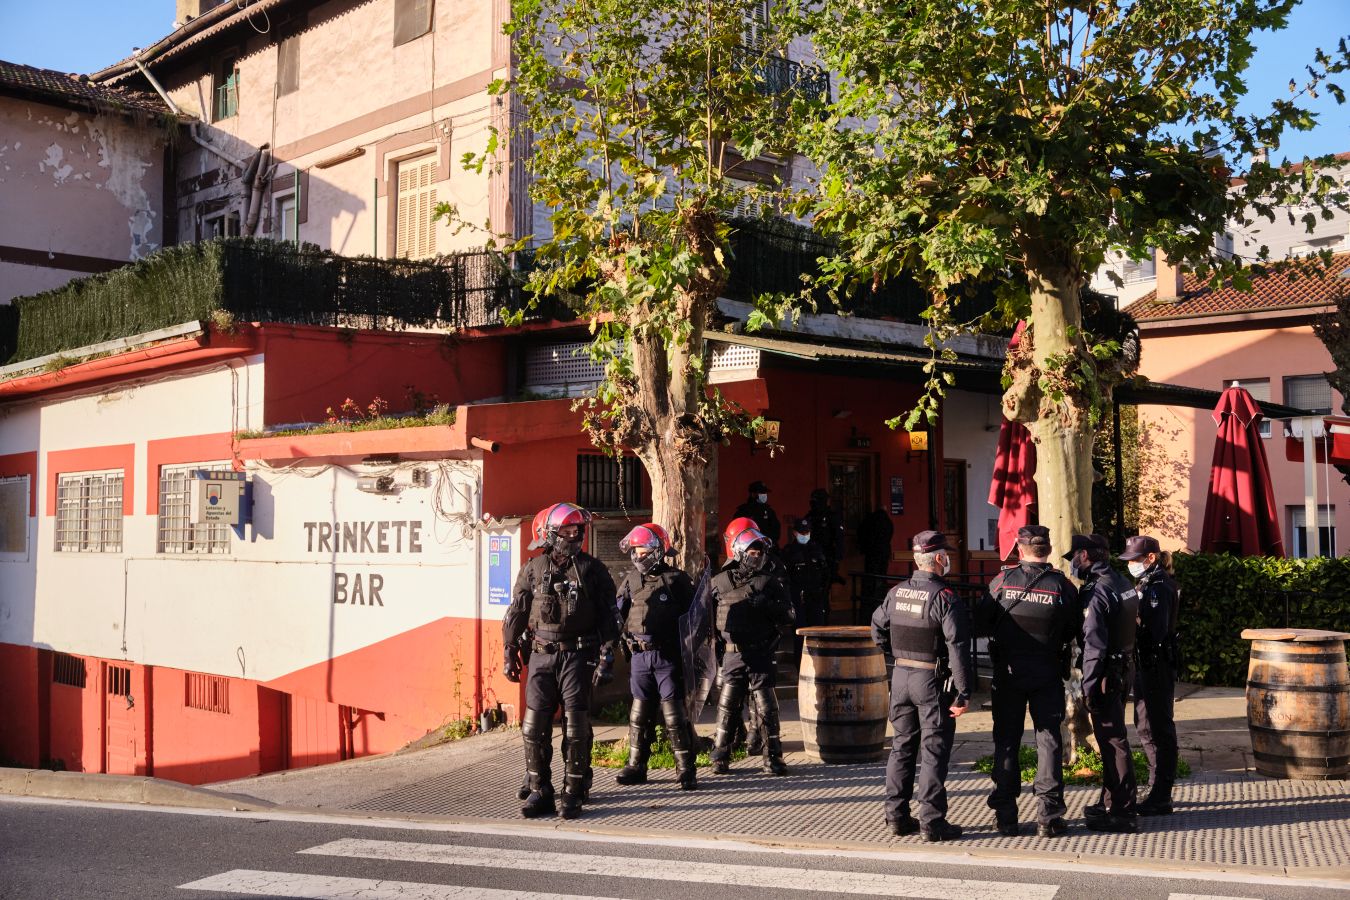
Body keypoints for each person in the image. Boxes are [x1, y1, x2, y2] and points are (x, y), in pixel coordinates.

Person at [503, 502, 619, 819]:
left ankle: (574, 790)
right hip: (541, 656)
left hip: (578, 656)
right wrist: (509, 647)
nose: (574, 535)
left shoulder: (593, 570)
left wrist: (607, 653)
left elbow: (610, 615)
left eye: (577, 529)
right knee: (534, 726)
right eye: (567, 530)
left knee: (577, 727)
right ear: (551, 534)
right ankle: (540, 790)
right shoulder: (533, 568)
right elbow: (517, 609)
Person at [977, 525, 1080, 838]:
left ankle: (1005, 816)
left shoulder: (1002, 581)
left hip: (1008, 673)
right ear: (1047, 550)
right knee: (1048, 738)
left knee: (1006, 739)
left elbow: (981, 622)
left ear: (1020, 550)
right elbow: (1074, 629)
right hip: (1046, 672)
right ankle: (1049, 816)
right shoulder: (1062, 586)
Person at [870, 530, 973, 842]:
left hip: (900, 676)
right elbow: (957, 646)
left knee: (902, 747)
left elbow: (877, 628)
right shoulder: (945, 597)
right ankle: (932, 821)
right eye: (947, 555)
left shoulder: (896, 592)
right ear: (939, 559)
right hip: (931, 680)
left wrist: (897, 656)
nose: (949, 559)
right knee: (933, 750)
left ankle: (896, 817)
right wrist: (963, 691)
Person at [613, 523, 697, 791]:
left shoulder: (677, 580)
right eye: (635, 550)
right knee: (639, 714)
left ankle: (685, 769)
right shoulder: (631, 580)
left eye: (643, 549)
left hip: (667, 656)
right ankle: (637, 766)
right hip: (639, 657)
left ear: (658, 550)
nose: (638, 555)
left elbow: (696, 619)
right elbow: (617, 614)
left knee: (674, 714)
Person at [1067, 533, 1141, 833]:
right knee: (1115, 737)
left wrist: (1089, 687)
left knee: (1112, 740)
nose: (1072, 562)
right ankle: (1112, 800)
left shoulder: (1096, 592)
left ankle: (1123, 811)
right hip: (1123, 668)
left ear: (1084, 555)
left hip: (1105, 675)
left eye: (1074, 556)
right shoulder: (1121, 583)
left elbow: (1094, 645)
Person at [709, 523, 795, 776]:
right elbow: (704, 618)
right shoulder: (719, 581)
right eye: (752, 552)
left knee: (767, 706)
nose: (756, 556)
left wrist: (768, 605)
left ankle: (773, 757)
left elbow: (789, 615)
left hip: (761, 652)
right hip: (732, 653)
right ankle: (720, 755)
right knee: (727, 705)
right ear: (738, 551)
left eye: (760, 553)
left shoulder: (769, 583)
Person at [1121, 534, 1180, 816]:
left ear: (1151, 558)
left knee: (1159, 727)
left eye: (1134, 560)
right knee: (1144, 725)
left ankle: (1161, 792)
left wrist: (1133, 622)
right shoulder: (1147, 582)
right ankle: (1156, 786)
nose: (1131, 564)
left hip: (1156, 663)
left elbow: (1155, 630)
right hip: (1147, 663)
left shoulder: (1159, 586)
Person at [782, 517, 830, 639]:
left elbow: (825, 573)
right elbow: (784, 577)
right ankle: (799, 658)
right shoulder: (789, 551)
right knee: (800, 633)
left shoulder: (816, 549)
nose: (804, 535)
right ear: (794, 533)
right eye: (801, 533)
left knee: (818, 632)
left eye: (807, 532)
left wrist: (823, 592)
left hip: (815, 596)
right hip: (798, 598)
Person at [806, 488, 846, 586]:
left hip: (827, 557)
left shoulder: (831, 517)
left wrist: (836, 559)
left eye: (815, 500)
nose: (813, 503)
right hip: (810, 556)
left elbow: (839, 539)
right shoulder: (810, 516)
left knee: (823, 589)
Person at [858, 506, 895, 606]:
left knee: (870, 578)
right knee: (882, 577)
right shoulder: (888, 522)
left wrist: (863, 548)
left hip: (871, 553)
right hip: (883, 553)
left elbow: (861, 534)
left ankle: (869, 601)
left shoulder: (869, 520)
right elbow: (890, 535)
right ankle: (881, 600)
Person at [733, 481, 781, 547]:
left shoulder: (769, 511)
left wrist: (769, 542)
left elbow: (776, 531)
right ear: (753, 494)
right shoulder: (743, 511)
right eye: (761, 493)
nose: (764, 495)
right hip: (749, 548)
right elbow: (736, 531)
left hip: (767, 548)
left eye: (765, 493)